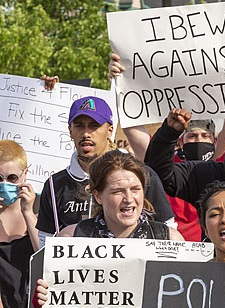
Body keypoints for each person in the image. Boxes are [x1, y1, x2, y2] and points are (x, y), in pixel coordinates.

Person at [31, 150, 183, 308]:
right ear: (97, 196)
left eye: (135, 189)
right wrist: (44, 299)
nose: (129, 199)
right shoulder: (71, 239)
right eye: (118, 191)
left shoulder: (170, 239)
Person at [36, 96, 175, 247]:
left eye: (94, 126)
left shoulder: (140, 175)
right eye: (79, 126)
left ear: (110, 131)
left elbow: (167, 232)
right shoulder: (54, 184)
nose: (86, 134)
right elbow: (45, 244)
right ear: (70, 131)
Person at [0, 140, 39, 308]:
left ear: (25, 174)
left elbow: (46, 256)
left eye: (12, 178)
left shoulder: (40, 208)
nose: (4, 184)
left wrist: (28, 213)